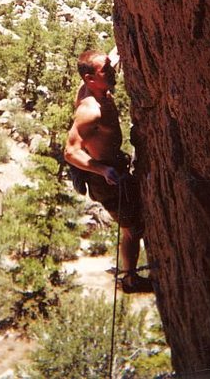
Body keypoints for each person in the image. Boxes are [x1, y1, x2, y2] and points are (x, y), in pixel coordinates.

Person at [64, 48, 152, 293]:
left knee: (134, 223)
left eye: (111, 68)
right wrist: (102, 170)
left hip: (113, 167)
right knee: (131, 230)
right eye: (107, 71)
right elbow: (70, 152)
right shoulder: (91, 110)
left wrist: (118, 49)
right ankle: (130, 279)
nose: (113, 72)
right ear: (90, 79)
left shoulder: (97, 84)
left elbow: (108, 60)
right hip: (106, 180)